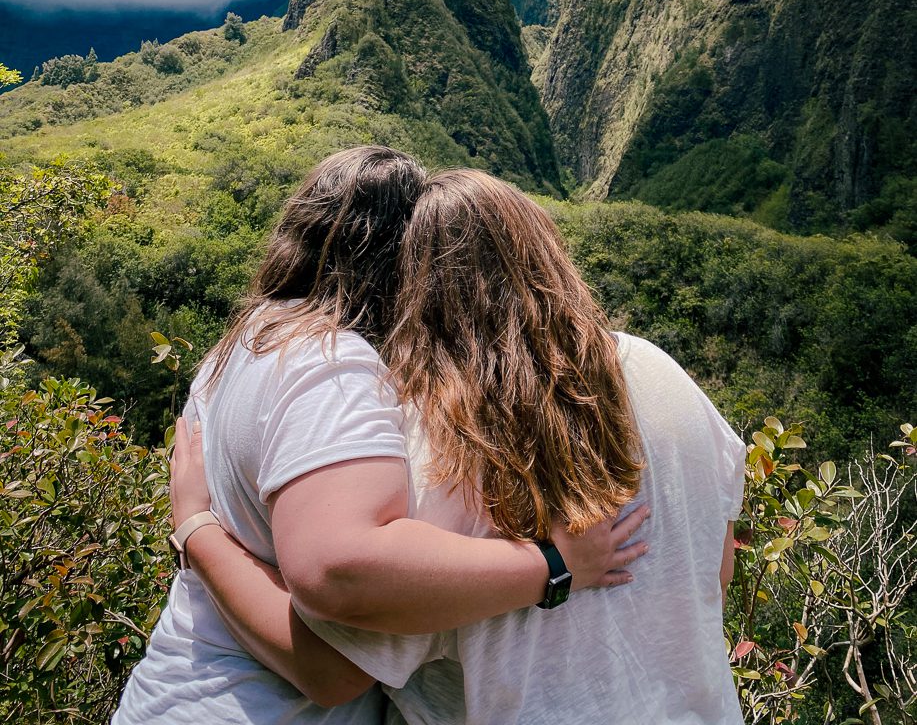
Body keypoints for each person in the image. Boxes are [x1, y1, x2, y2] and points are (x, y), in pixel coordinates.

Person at [172, 167, 746, 724]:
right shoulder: (663, 374)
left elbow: (335, 662)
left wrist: (197, 527)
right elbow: (715, 572)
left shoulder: (447, 448)